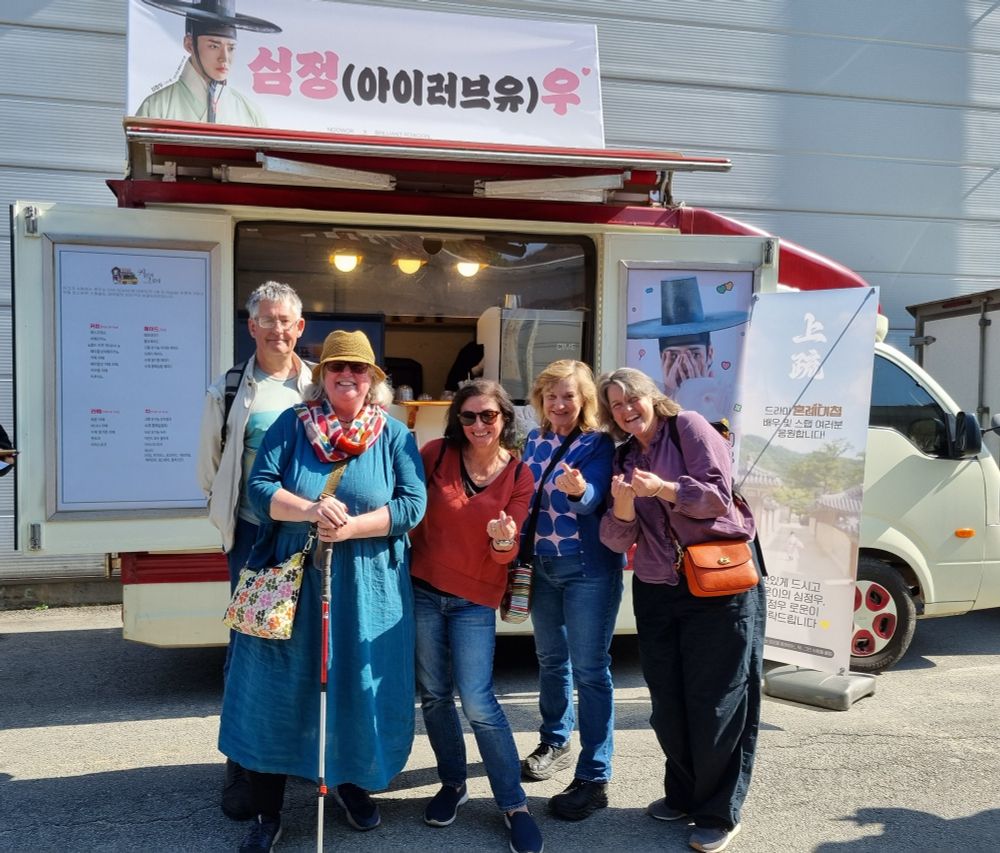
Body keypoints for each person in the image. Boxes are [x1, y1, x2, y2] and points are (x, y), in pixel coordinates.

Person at [218, 330, 426, 853]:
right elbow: (261, 487)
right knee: (277, 688)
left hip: (367, 585)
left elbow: (411, 505)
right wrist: (310, 510)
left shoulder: (394, 435)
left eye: (359, 370)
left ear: (373, 379)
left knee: (354, 684)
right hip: (292, 579)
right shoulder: (292, 424)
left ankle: (350, 784)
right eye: (338, 369)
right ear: (324, 376)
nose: (348, 378)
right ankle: (268, 810)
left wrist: (354, 527)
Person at [597, 367, 765, 853]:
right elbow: (614, 538)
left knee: (717, 701)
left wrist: (663, 490)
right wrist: (625, 507)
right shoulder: (623, 457)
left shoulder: (688, 426)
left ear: (653, 397)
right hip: (657, 587)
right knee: (668, 702)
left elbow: (716, 494)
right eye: (616, 405)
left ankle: (719, 811)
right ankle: (685, 793)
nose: (627, 410)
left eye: (633, 399)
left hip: (716, 583)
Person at [408, 379, 543, 853]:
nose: (479, 424)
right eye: (469, 416)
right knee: (436, 696)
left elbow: (505, 556)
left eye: (489, 415)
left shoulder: (519, 475)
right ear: (457, 420)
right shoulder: (435, 455)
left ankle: (513, 804)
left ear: (505, 418)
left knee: (480, 701)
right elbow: (405, 507)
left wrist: (504, 539)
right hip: (423, 590)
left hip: (475, 600)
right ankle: (453, 784)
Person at [197, 281, 312, 821]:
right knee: (248, 650)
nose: (277, 329)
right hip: (254, 541)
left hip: (311, 541)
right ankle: (241, 766)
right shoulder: (228, 390)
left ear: (299, 327)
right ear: (252, 327)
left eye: (286, 320)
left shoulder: (318, 385)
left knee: (309, 647)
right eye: (267, 320)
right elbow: (210, 467)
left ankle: (306, 758)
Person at [517, 360, 624, 821]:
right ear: (541, 399)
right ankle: (554, 740)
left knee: (590, 670)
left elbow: (595, 497)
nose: (560, 404)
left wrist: (579, 490)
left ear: (584, 402)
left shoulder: (599, 444)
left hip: (587, 570)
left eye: (569, 396)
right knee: (549, 660)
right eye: (551, 396)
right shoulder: (532, 440)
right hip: (541, 568)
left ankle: (595, 774)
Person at [135, 0, 280, 126]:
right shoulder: (156, 108)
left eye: (231, 48)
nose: (224, 58)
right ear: (189, 44)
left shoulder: (251, 113)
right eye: (214, 46)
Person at [626, 276, 748, 423]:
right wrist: (669, 395)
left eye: (694, 354)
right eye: (674, 356)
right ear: (662, 358)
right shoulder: (646, 399)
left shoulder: (732, 395)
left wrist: (696, 392)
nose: (684, 364)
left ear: (709, 354)